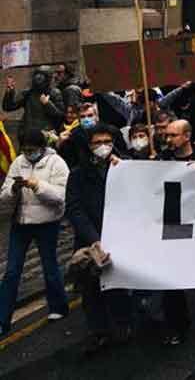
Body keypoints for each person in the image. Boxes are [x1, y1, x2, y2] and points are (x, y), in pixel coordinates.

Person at [66, 124, 133, 355]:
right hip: (90, 240)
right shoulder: (77, 175)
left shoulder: (123, 167)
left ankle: (123, 323)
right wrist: (94, 239)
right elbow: (74, 210)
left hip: (119, 237)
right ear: (89, 145)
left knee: (117, 285)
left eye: (107, 141)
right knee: (91, 288)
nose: (103, 146)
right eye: (97, 142)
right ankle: (99, 331)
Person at [0, 131, 70, 336]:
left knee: (49, 265)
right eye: (25, 150)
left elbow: (60, 196)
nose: (27, 154)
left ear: (41, 148)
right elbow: (4, 194)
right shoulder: (18, 163)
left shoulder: (56, 164)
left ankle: (58, 306)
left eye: (31, 150)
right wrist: (13, 189)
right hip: (21, 223)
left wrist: (38, 186)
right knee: (12, 271)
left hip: (47, 223)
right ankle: (3, 318)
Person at [160, 120, 195, 345]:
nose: (168, 140)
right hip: (173, 226)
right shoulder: (162, 159)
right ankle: (178, 326)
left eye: (173, 135)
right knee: (171, 280)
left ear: (186, 136)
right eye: (166, 135)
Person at [4, 67, 65, 144]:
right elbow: (8, 107)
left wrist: (47, 104)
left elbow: (60, 116)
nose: (38, 78)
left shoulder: (54, 93)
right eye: (37, 75)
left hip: (46, 135)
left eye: (42, 75)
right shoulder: (28, 93)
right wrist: (10, 92)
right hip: (28, 134)